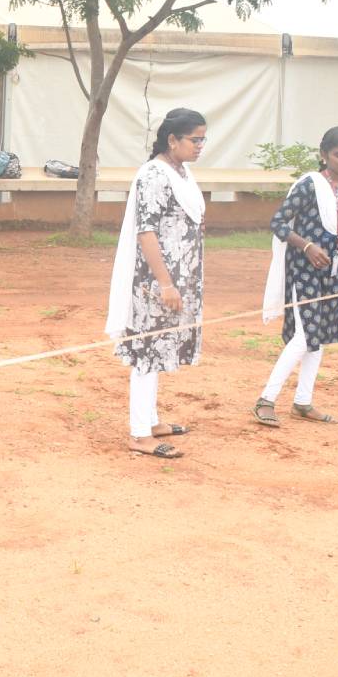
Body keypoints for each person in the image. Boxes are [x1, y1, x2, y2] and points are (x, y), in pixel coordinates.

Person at [106, 108, 207, 458]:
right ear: (172, 140)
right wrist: (165, 283)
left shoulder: (182, 172)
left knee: (161, 347)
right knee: (147, 353)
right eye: (195, 140)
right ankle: (139, 434)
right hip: (153, 281)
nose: (200, 146)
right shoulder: (153, 175)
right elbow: (145, 231)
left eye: (203, 140)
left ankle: (150, 420)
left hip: (178, 278)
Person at [254, 127, 338, 426]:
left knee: (320, 335)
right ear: (324, 155)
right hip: (303, 270)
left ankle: (303, 401)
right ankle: (266, 399)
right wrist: (307, 246)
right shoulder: (309, 186)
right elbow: (278, 223)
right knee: (304, 336)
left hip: (333, 271)